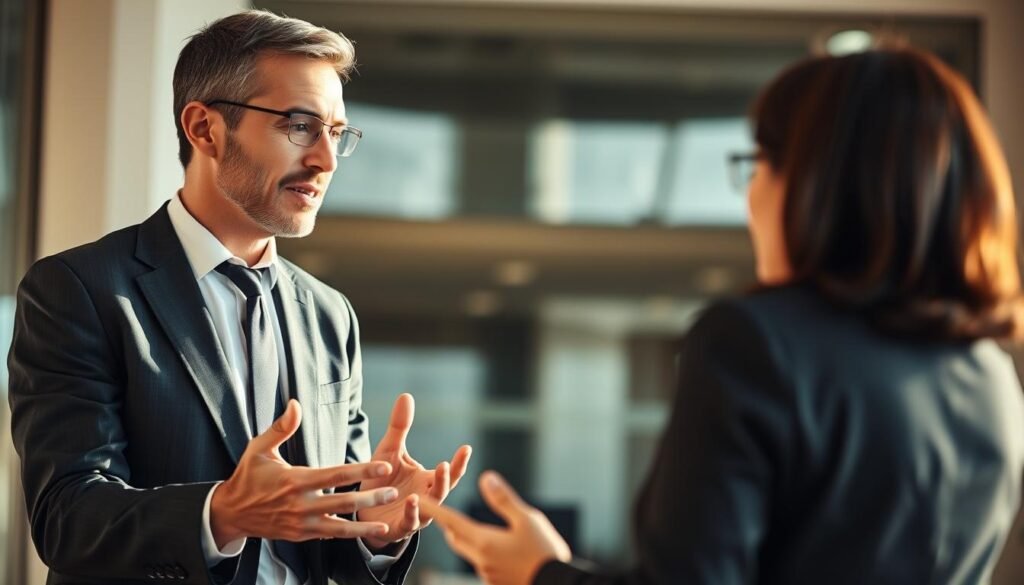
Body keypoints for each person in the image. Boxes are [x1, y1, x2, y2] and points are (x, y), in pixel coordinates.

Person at [422, 46, 1024, 585]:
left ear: (817, 184)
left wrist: (541, 576)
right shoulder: (989, 379)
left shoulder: (757, 345)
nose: (749, 196)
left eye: (759, 162)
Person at [7, 10, 471, 585]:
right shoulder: (81, 290)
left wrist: (375, 526)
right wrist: (220, 514)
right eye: (299, 126)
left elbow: (327, 540)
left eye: (336, 133)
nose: (325, 160)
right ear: (204, 129)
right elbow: (66, 518)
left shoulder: (330, 315)